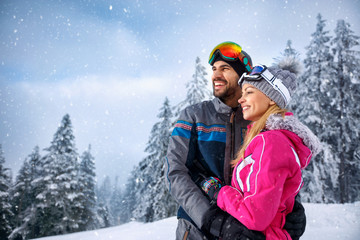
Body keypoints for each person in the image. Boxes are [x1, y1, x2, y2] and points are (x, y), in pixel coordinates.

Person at [165, 41, 307, 240]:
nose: (216, 75)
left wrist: (291, 208)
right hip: (197, 230)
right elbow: (176, 172)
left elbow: (278, 169)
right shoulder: (194, 116)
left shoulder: (259, 120)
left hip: (246, 231)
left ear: (243, 77)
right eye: (214, 69)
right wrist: (211, 218)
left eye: (225, 68)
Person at [201, 60, 322, 239]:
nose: (241, 99)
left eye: (249, 92)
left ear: (272, 98)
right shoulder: (269, 139)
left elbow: (255, 215)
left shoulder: (271, 142)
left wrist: (219, 192)